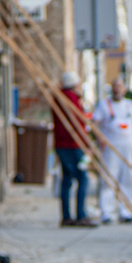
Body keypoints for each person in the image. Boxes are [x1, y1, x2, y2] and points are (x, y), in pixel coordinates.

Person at [91, 76, 132, 223]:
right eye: (115, 86)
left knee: (128, 178)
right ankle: (107, 212)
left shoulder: (129, 105)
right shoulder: (104, 105)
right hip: (111, 149)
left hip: (128, 148)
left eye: (120, 86)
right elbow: (94, 124)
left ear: (124, 89)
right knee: (109, 178)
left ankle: (126, 211)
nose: (117, 89)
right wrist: (99, 140)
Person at [53, 71, 94, 226]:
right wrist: (87, 143)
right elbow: (77, 123)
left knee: (67, 181)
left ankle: (66, 216)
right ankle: (81, 215)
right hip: (72, 145)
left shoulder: (59, 97)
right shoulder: (70, 98)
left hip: (62, 145)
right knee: (82, 179)